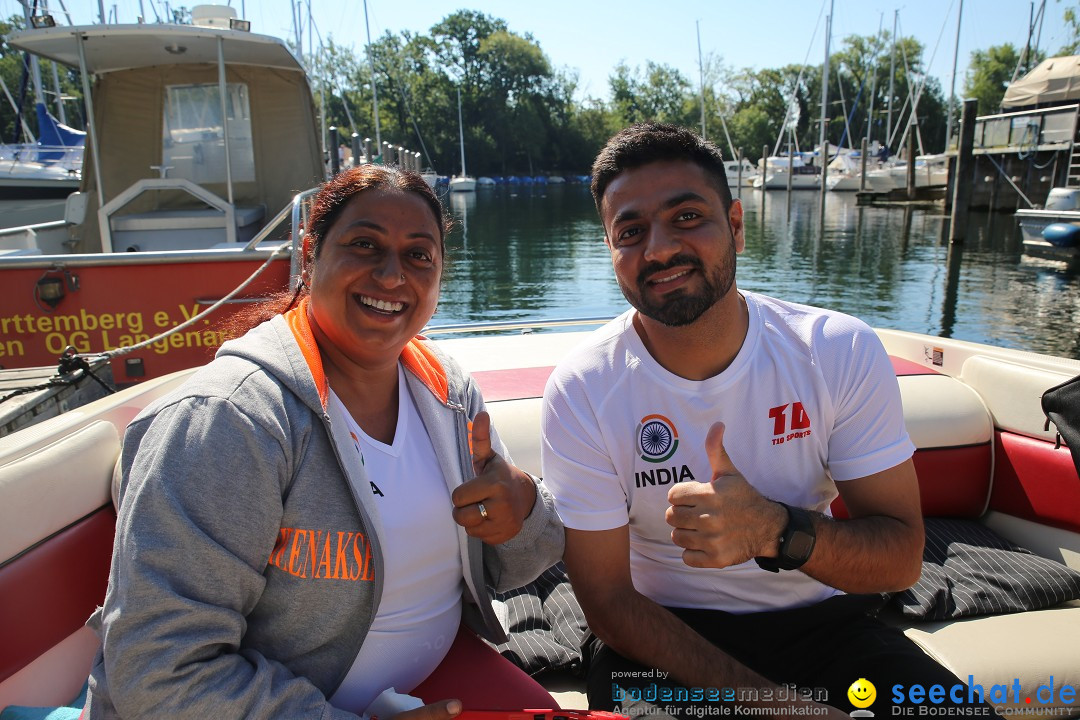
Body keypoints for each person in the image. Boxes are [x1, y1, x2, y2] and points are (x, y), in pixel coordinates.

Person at [540, 123, 998, 718]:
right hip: (655, 648)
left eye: (686, 217)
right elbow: (606, 601)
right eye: (631, 231)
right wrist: (778, 707)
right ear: (611, 250)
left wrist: (775, 531)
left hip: (828, 630)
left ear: (735, 225)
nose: (657, 249)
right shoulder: (583, 389)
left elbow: (902, 557)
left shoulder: (835, 350)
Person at [84, 164, 564, 719]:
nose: (391, 276)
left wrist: (522, 511)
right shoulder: (232, 421)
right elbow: (161, 672)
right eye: (364, 245)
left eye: (418, 255)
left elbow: (523, 564)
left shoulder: (448, 392)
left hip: (438, 673)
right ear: (310, 255)